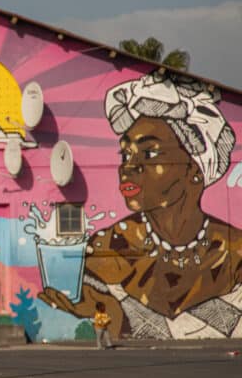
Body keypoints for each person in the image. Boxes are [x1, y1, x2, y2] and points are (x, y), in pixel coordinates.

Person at [39, 71, 242, 339]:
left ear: (195, 169)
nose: (129, 166)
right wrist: (109, 313)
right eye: (125, 154)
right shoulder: (108, 247)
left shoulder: (235, 252)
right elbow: (109, 337)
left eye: (149, 153)